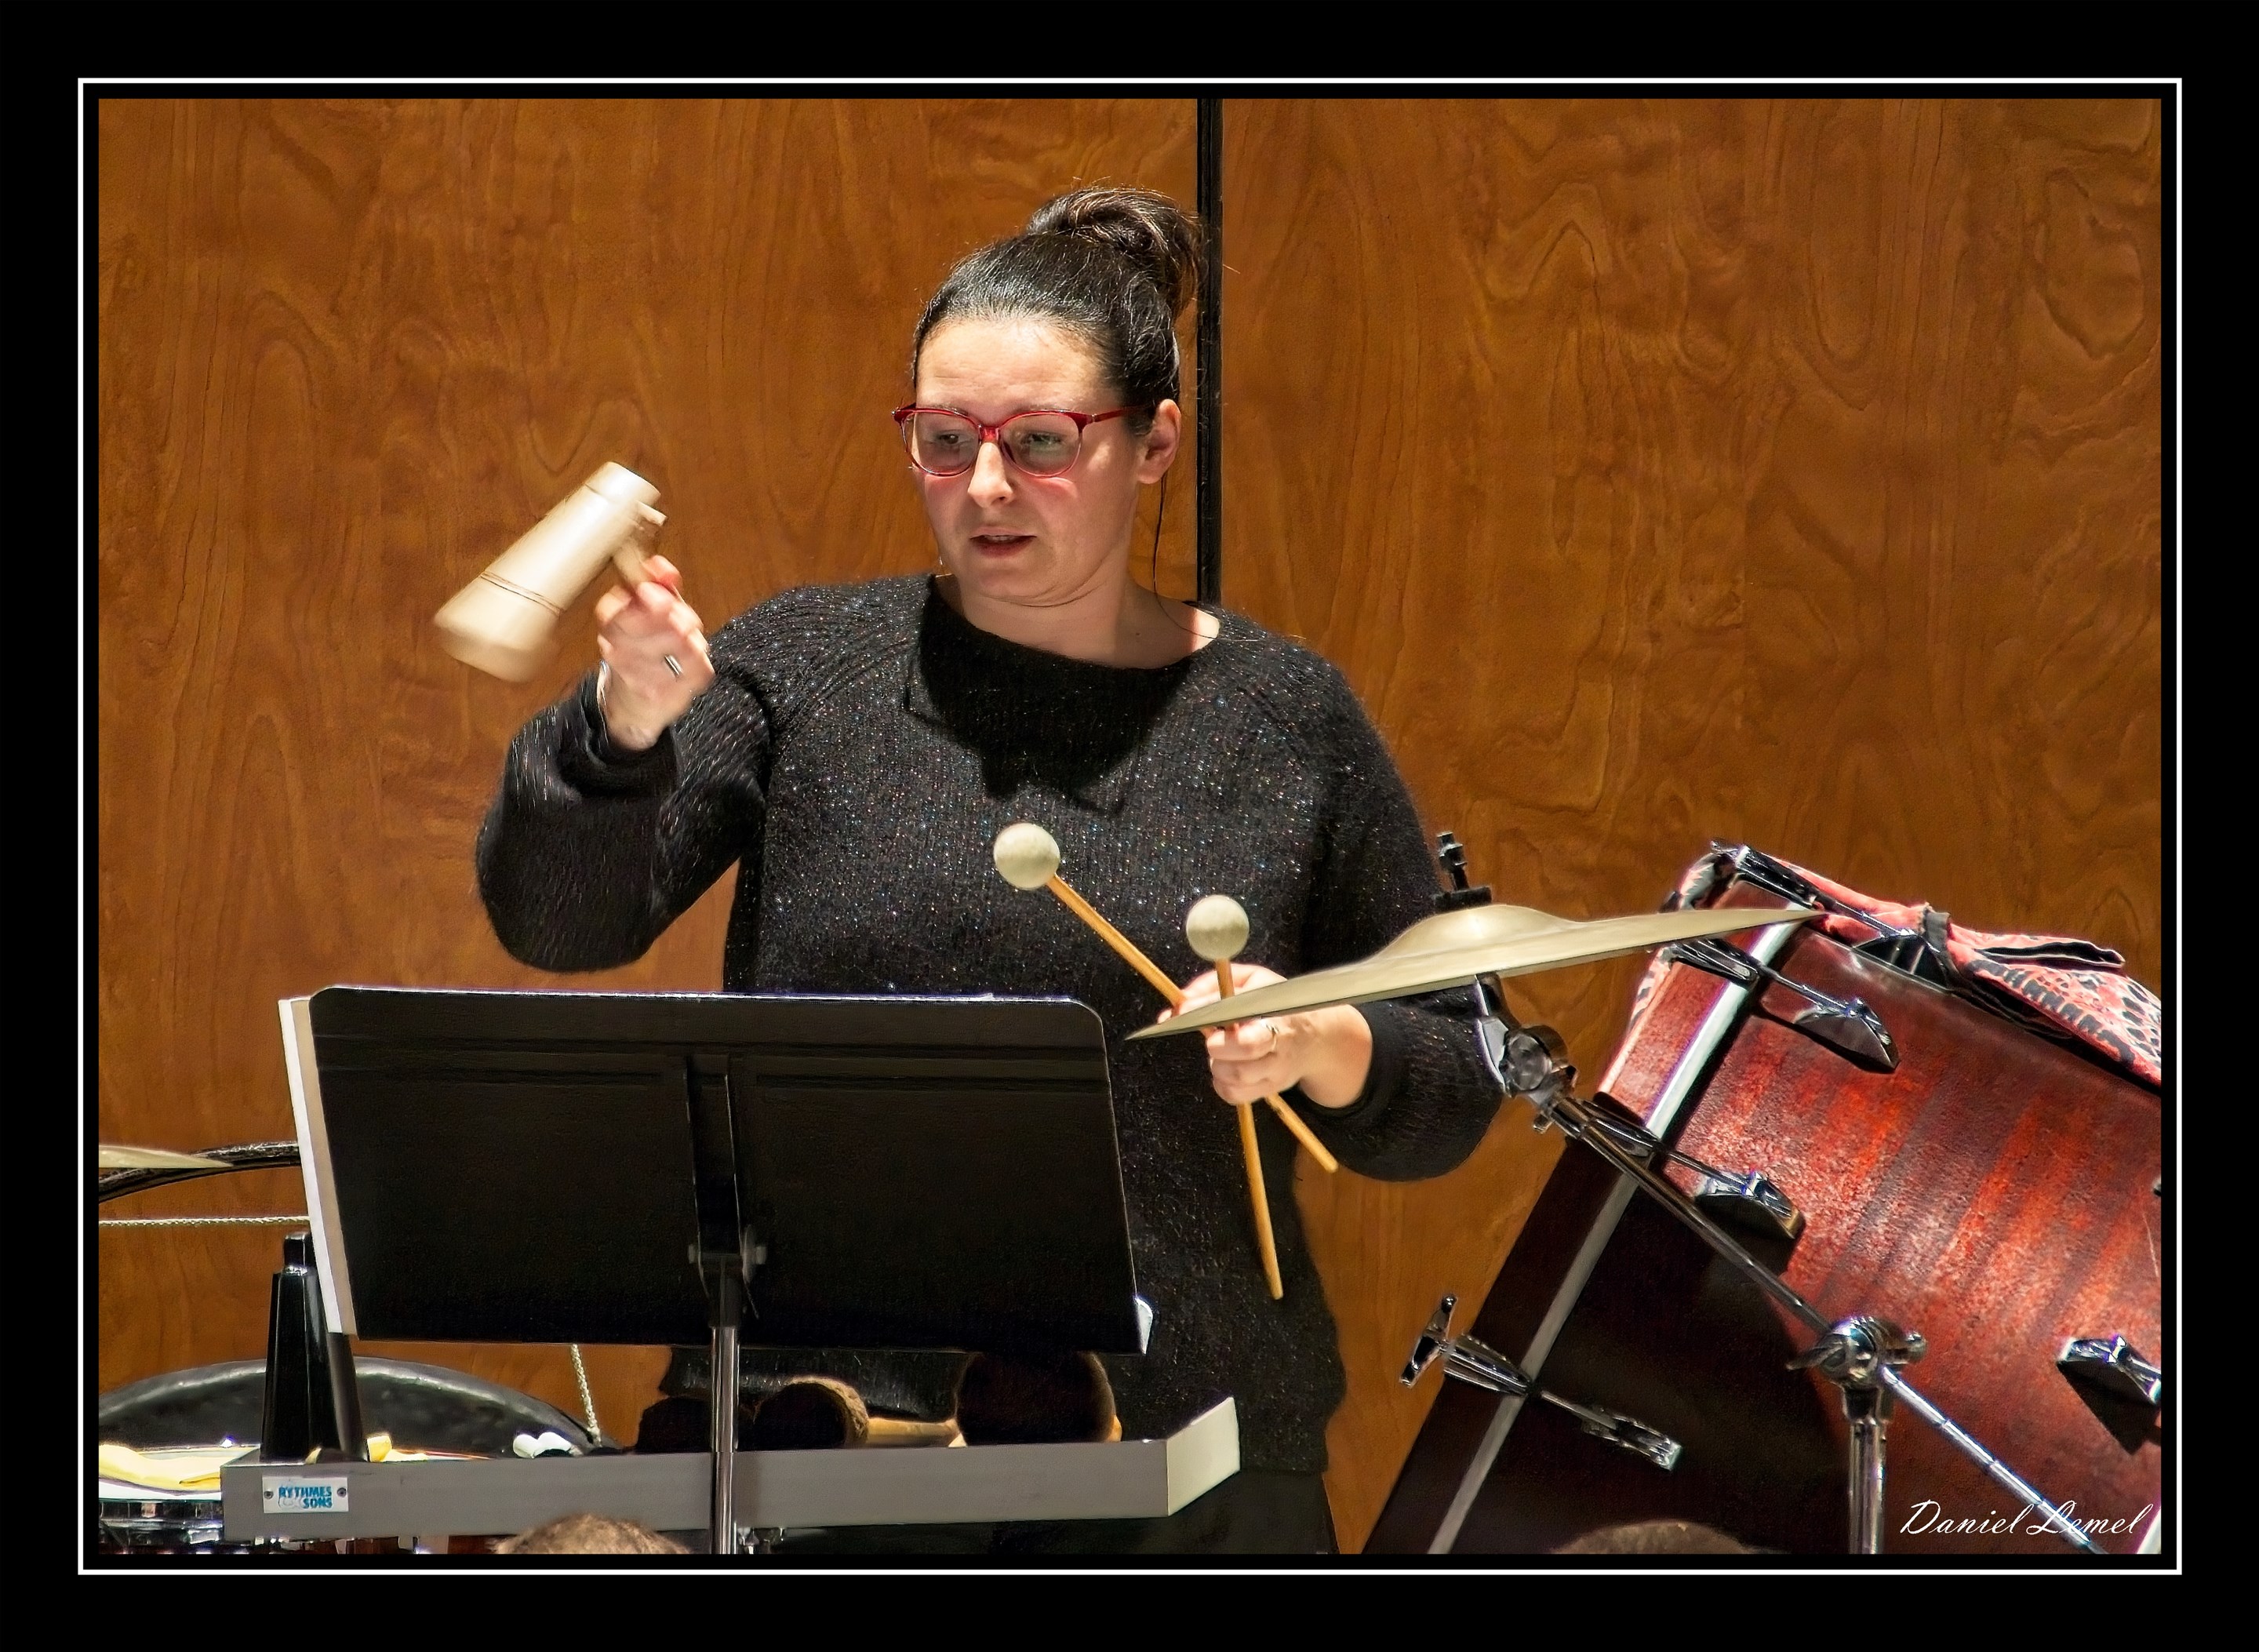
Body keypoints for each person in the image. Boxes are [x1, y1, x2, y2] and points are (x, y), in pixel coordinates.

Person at [477, 185, 1500, 1553]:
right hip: (826, 1441)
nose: (989, 487)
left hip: (1188, 1458)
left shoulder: (1284, 717)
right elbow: (557, 922)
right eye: (946, 442)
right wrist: (619, 730)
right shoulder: (807, 668)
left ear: (1154, 445)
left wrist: (1329, 1039)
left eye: (1040, 442)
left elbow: (1457, 1078)